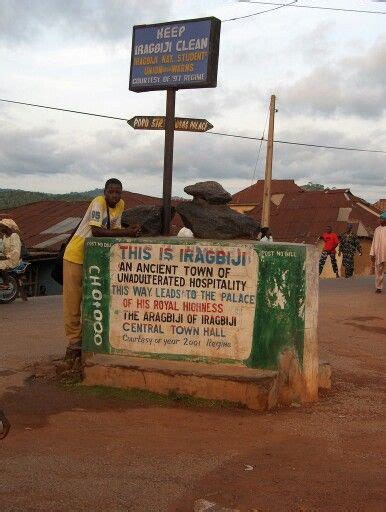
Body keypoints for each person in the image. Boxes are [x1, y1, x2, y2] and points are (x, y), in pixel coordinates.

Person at [63, 178, 141, 363]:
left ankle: (93, 338)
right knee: (73, 301)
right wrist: (127, 232)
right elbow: (97, 231)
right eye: (111, 192)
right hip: (77, 256)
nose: (114, 196)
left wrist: (130, 232)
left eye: (118, 192)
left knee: (96, 298)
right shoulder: (98, 202)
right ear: (104, 192)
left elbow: (115, 229)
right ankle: (74, 341)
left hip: (95, 260)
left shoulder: (121, 205)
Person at [0, 219, 22, 289]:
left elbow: (16, 251)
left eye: (1, 227)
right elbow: (3, 249)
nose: (0, 228)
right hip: (5, 257)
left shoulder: (14, 236)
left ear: (7, 227)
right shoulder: (4, 237)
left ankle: (6, 284)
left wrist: (5, 257)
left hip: (13, 259)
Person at [370, 212, 386, 294]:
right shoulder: (377, 229)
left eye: (382, 219)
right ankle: (379, 287)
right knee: (379, 270)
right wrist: (372, 253)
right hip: (379, 253)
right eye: (380, 218)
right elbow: (374, 242)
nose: (380, 220)